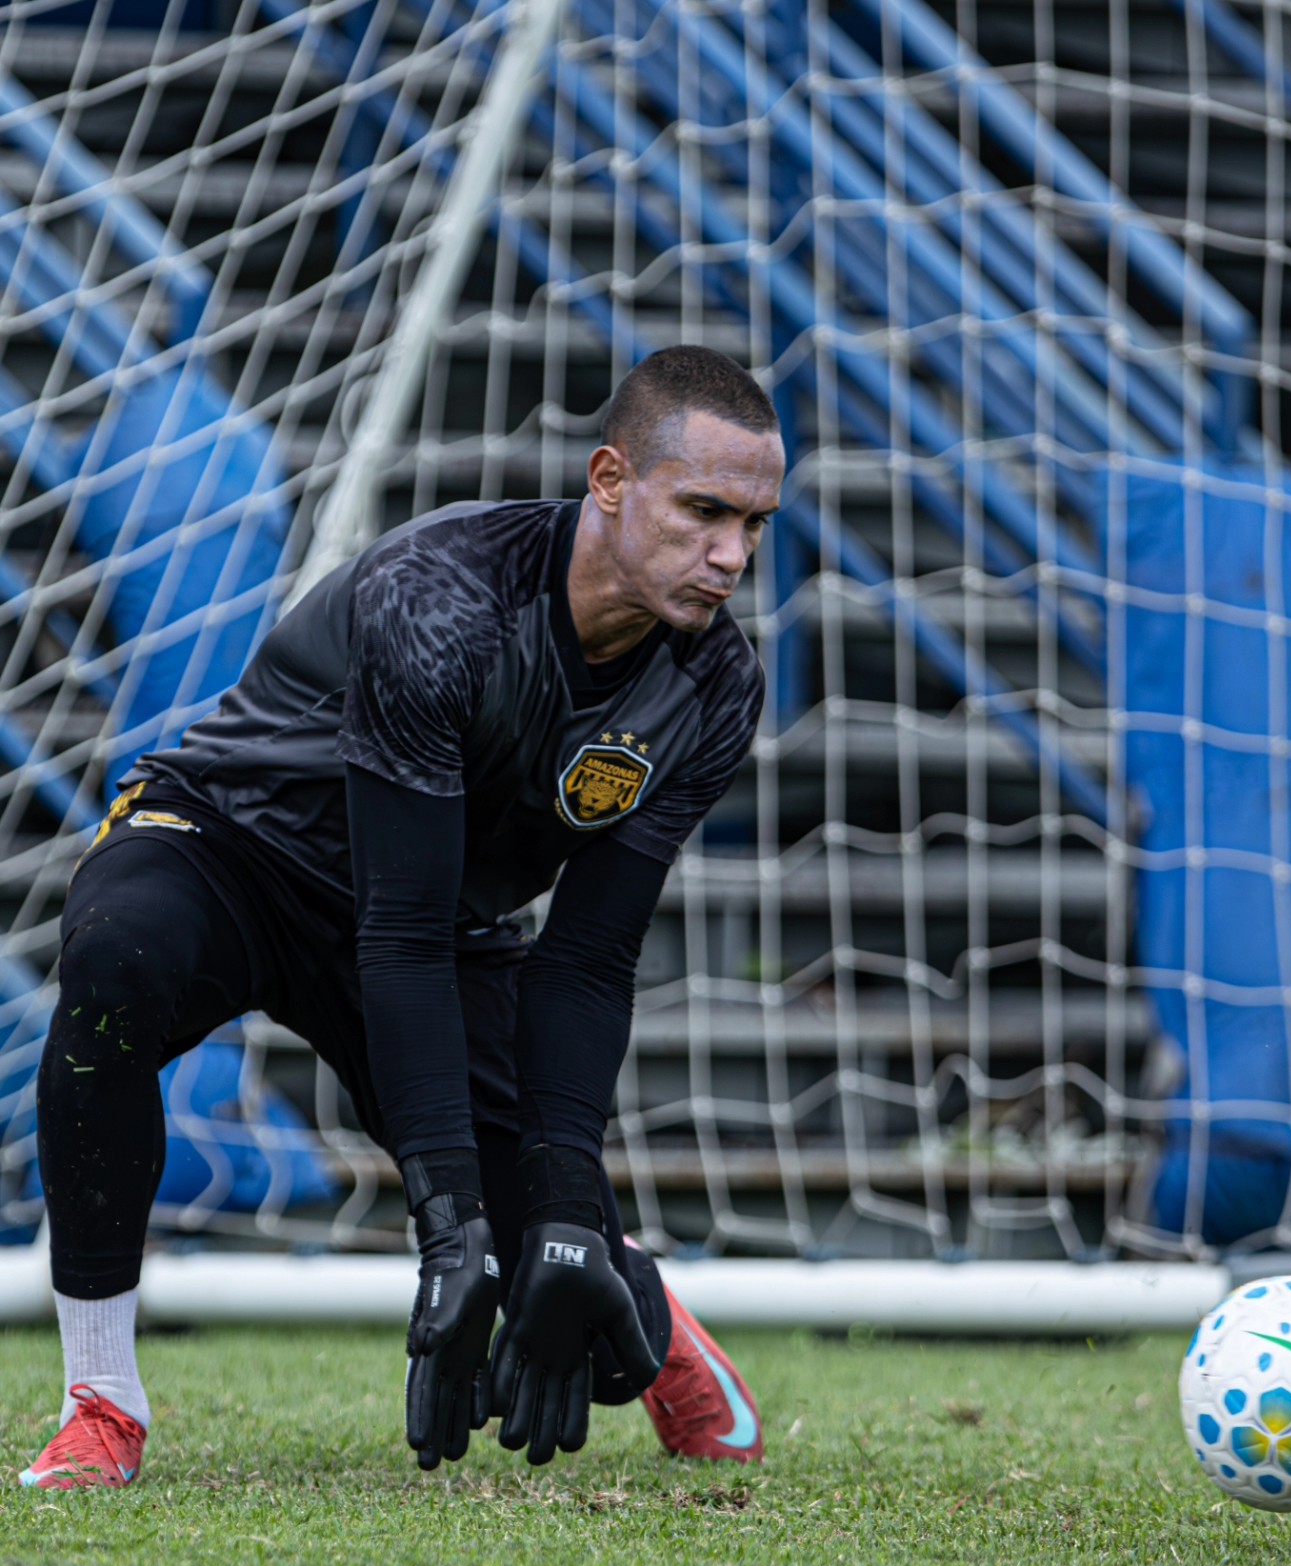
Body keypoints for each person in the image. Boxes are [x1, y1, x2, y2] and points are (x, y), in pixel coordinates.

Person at [20, 346, 783, 1489]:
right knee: (117, 967)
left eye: (756, 524)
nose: (732, 556)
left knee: (562, 1266)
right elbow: (400, 934)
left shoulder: (714, 688)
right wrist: (446, 1224)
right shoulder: (445, 596)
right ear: (611, 480)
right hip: (236, 850)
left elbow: (583, 963)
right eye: (705, 511)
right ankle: (101, 1402)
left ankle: (657, 1313)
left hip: (442, 922)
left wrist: (564, 1205)